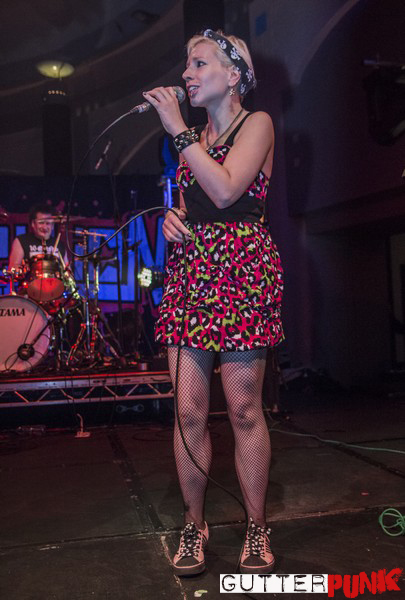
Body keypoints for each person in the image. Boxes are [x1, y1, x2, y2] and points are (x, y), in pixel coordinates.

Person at [145, 29, 284, 576]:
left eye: (199, 63)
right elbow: (195, 199)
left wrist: (176, 128)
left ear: (234, 75)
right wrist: (172, 217)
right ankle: (194, 524)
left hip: (242, 272)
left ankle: (256, 525)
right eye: (186, 65)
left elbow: (227, 190)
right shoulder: (194, 137)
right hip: (192, 274)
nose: (187, 74)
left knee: (245, 409)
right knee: (187, 412)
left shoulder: (258, 123)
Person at [8, 203, 67, 269]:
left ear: (53, 226)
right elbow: (13, 268)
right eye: (41, 223)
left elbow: (67, 270)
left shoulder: (59, 244)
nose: (44, 227)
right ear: (33, 224)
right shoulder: (21, 241)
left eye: (48, 223)